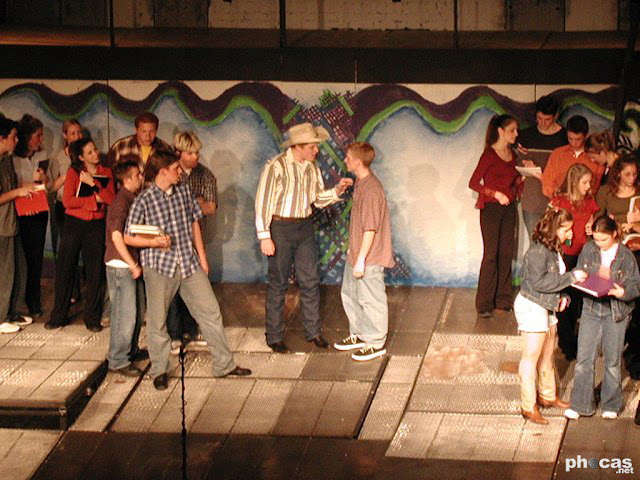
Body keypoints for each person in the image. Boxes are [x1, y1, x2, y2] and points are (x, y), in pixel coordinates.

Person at [124, 149, 250, 390]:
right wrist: (154, 243)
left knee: (210, 311)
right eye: (175, 168)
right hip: (160, 267)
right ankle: (160, 369)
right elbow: (129, 236)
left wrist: (202, 257)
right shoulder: (144, 199)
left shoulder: (183, 190)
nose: (180, 172)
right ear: (163, 172)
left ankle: (224, 364)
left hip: (188, 262)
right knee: (157, 321)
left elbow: (194, 222)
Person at [255, 122, 353, 353]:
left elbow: (317, 199)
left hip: (304, 226)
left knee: (310, 280)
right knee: (279, 282)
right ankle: (274, 336)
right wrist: (264, 236)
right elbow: (263, 202)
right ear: (298, 146)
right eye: (312, 146)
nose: (316, 150)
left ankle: (313, 331)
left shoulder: (312, 167)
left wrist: (336, 191)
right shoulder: (276, 166)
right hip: (280, 227)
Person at [515, 208, 587, 424]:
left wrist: (562, 295)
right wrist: (572, 278)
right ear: (554, 229)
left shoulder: (553, 249)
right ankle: (528, 405)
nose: (570, 233)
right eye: (566, 229)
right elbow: (539, 283)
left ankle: (547, 395)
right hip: (532, 306)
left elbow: (554, 279)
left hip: (546, 306)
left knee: (548, 353)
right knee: (530, 358)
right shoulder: (537, 252)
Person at [565, 215, 640, 420]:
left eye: (603, 240)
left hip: (615, 311)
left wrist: (622, 293)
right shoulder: (589, 249)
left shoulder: (626, 256)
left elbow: (635, 286)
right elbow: (579, 270)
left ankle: (611, 404)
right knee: (584, 359)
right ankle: (581, 404)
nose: (599, 244)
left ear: (614, 234)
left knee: (612, 361)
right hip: (591, 308)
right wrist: (579, 276)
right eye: (596, 239)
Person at [333, 142, 395, 361]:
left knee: (371, 299)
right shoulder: (361, 183)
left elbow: (370, 228)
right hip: (357, 253)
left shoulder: (371, 190)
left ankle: (375, 342)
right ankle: (359, 333)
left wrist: (361, 259)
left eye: (348, 158)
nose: (345, 160)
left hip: (369, 257)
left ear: (358, 162)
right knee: (351, 294)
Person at [46, 138, 115, 331]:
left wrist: (94, 184)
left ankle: (92, 317)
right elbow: (68, 201)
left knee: (95, 271)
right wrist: (93, 201)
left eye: (95, 149)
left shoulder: (105, 172)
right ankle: (59, 315)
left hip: (96, 225)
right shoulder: (74, 172)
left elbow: (111, 198)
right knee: (66, 267)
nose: (96, 153)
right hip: (74, 224)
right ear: (82, 157)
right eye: (90, 152)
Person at [167, 131, 218, 354]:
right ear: (178, 152)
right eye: (190, 153)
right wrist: (196, 203)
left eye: (197, 152)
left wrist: (194, 206)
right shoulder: (170, 174)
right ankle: (174, 334)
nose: (196, 156)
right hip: (171, 240)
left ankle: (192, 328)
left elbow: (211, 207)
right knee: (172, 289)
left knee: (195, 286)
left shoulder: (205, 175)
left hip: (195, 240)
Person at [468, 114, 523, 317]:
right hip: (491, 209)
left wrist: (523, 179)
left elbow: (514, 181)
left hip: (508, 208)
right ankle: (484, 304)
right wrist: (495, 194)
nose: (515, 134)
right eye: (512, 130)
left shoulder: (512, 154)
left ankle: (503, 299)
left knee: (506, 253)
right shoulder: (489, 155)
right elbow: (473, 182)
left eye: (516, 130)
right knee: (491, 255)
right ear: (500, 131)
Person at [550, 164, 600, 360]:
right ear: (574, 182)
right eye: (585, 182)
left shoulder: (588, 200)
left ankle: (574, 339)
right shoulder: (560, 201)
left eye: (589, 182)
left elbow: (592, 218)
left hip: (584, 254)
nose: (588, 186)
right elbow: (549, 225)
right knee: (565, 298)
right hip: (566, 254)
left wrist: (591, 226)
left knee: (578, 299)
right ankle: (566, 343)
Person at [105, 159, 146, 377]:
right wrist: (131, 264)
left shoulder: (132, 198)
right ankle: (118, 359)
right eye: (138, 175)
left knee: (137, 311)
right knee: (125, 314)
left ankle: (130, 350)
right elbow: (116, 236)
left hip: (129, 263)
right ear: (127, 179)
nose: (141, 177)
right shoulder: (121, 202)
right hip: (120, 265)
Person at [0, 116, 37, 333]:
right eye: (13, 137)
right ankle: (1, 316)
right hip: (2, 225)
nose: (16, 141)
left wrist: (28, 187)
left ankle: (12, 311)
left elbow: (12, 186)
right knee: (4, 272)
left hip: (13, 222)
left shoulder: (6, 160)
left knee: (19, 269)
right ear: (2, 138)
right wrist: (17, 192)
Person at [12, 114, 49, 318]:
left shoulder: (40, 157)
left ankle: (34, 302)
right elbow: (12, 187)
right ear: (26, 137)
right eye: (37, 136)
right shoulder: (13, 159)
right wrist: (29, 185)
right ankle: (17, 303)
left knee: (36, 259)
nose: (40, 140)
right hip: (22, 212)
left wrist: (43, 179)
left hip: (39, 211)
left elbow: (46, 185)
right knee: (22, 259)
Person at [516, 95, 567, 238]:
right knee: (535, 242)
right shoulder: (526, 135)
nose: (543, 123)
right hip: (532, 199)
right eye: (539, 118)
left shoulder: (564, 137)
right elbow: (519, 162)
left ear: (556, 116)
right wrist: (525, 164)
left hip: (556, 199)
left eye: (547, 119)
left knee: (556, 242)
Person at [541, 115, 605, 199]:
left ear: (586, 136)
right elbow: (547, 181)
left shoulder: (595, 157)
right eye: (570, 139)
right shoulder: (558, 153)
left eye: (578, 139)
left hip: (584, 203)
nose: (573, 143)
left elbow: (596, 187)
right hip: (559, 201)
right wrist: (557, 196)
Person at [49, 119, 83, 256]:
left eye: (79, 132)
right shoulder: (58, 158)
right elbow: (52, 187)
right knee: (67, 245)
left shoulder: (87, 153)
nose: (77, 137)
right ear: (65, 135)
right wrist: (67, 176)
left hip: (82, 204)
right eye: (73, 133)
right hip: (64, 205)